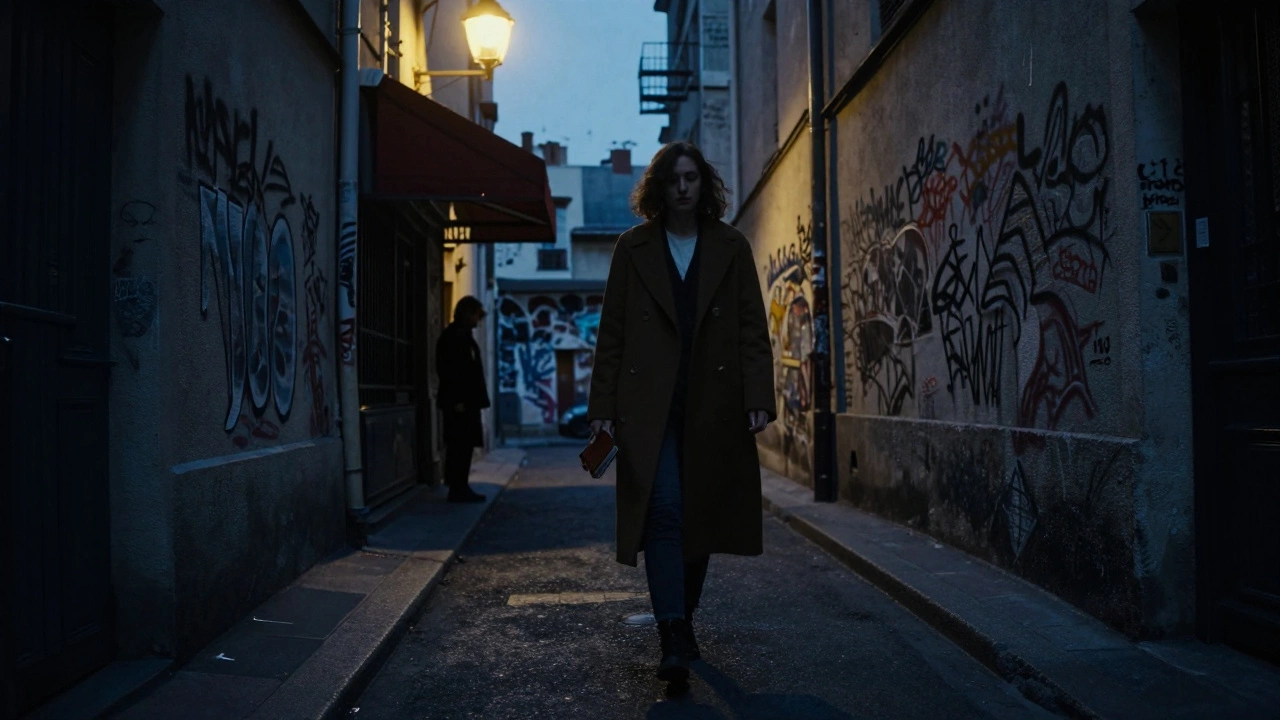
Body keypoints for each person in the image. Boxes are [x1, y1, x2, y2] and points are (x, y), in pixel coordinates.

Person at [587, 141, 776, 684]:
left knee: (700, 517)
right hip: (649, 407)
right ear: (660, 188)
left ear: (704, 185)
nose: (684, 188)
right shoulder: (634, 248)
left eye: (692, 178)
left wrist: (757, 396)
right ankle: (672, 632)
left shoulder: (731, 246)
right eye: (674, 179)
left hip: (712, 405)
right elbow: (613, 335)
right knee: (665, 510)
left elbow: (750, 328)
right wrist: (603, 407)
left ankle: (683, 618)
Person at [436, 295, 491, 503]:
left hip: (467, 401)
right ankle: (458, 487)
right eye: (476, 315)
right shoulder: (454, 337)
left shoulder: (463, 336)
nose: (477, 321)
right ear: (466, 314)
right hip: (460, 403)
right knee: (459, 445)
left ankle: (460, 485)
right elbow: (450, 371)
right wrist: (457, 399)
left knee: (464, 445)